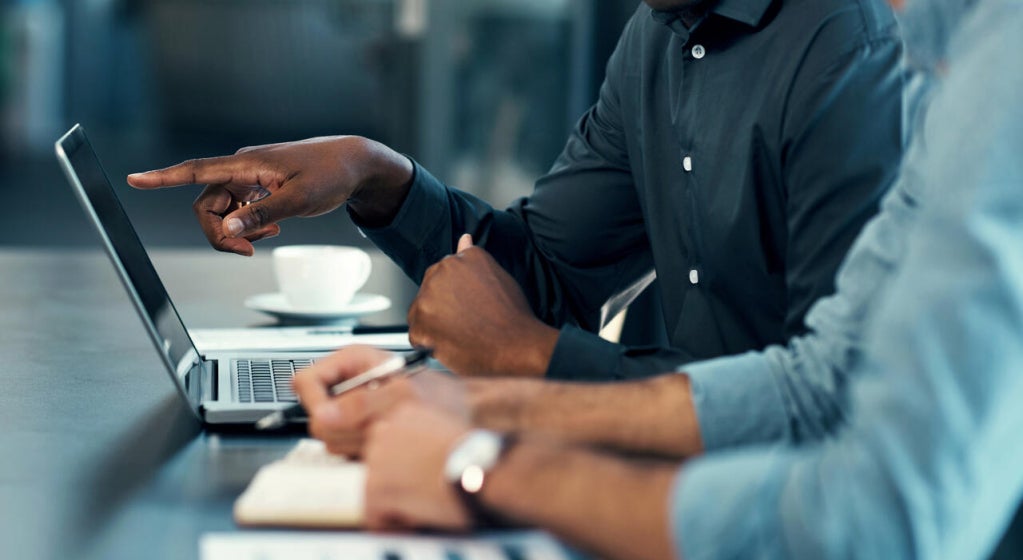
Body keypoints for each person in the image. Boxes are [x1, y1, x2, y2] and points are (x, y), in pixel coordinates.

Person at [289, 0, 1023, 560]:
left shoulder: (915, 53)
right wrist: (462, 396)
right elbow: (814, 382)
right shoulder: (941, 51)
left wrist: (478, 464)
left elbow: (870, 524)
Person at [127, 0, 905, 380]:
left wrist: (532, 356)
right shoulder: (655, 39)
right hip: (660, 466)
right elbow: (542, 274)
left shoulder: (848, 53)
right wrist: (373, 173)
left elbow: (828, 398)